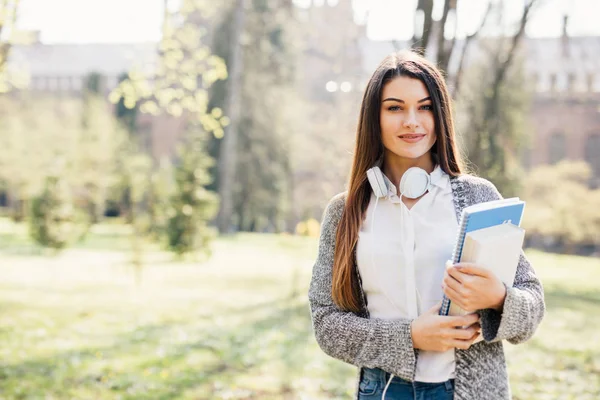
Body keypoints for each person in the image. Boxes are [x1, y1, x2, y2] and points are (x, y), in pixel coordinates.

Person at [307, 50, 545, 400]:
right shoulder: (344, 211)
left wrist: (498, 298)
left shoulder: (479, 197)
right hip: (383, 390)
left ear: (440, 114)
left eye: (425, 107)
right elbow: (326, 323)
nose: (412, 122)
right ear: (374, 118)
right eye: (395, 108)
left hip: (469, 391)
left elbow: (533, 306)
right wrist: (411, 337)